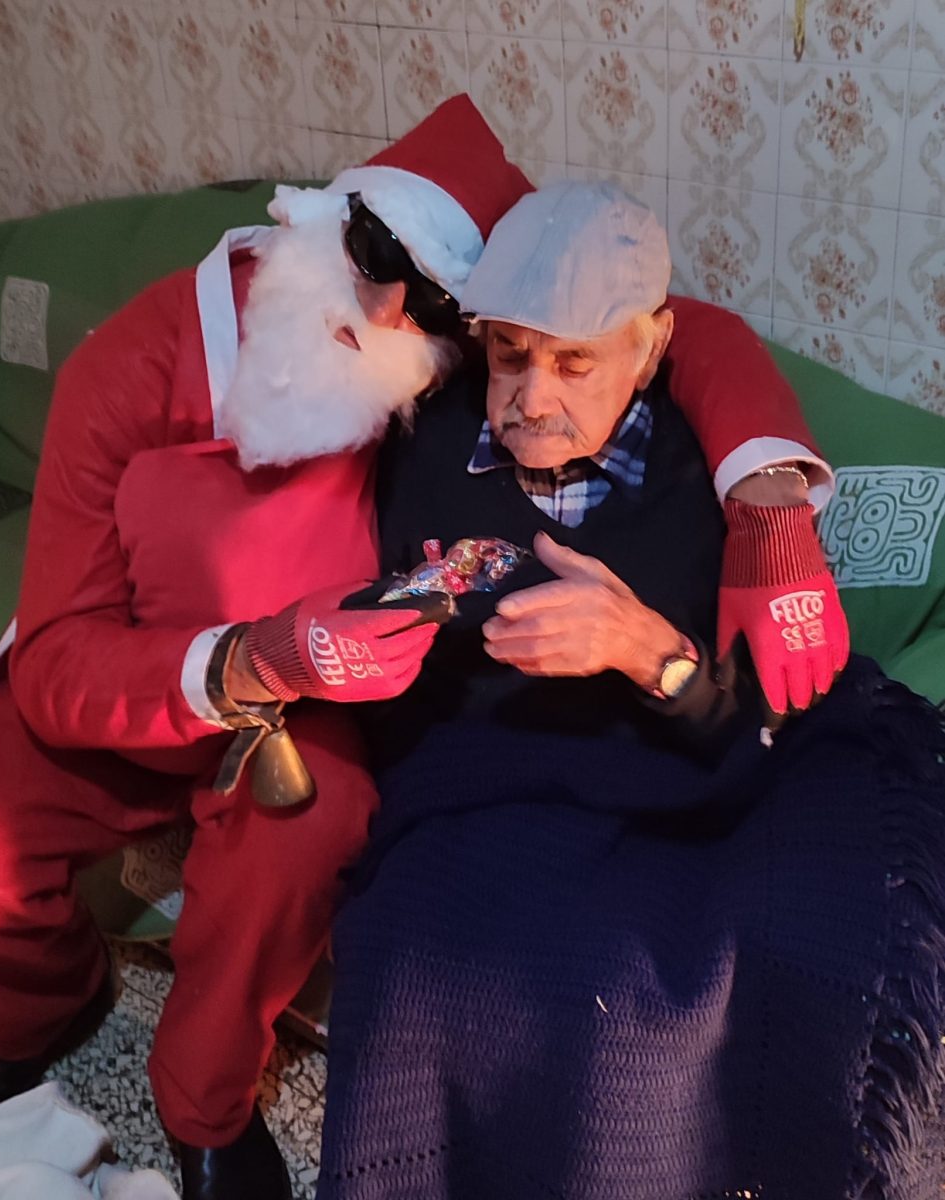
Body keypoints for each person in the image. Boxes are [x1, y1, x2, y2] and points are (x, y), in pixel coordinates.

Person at [0, 96, 838, 1198]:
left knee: (307, 842)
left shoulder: (463, 375)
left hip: (334, 714)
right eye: (373, 255)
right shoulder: (141, 368)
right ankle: (46, 1012)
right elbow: (59, 662)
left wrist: (768, 499)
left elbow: (665, 327)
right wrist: (251, 658)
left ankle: (203, 1103)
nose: (387, 309)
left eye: (434, 301)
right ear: (317, 219)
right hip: (153, 680)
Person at [315, 181, 945, 1200]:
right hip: (482, 778)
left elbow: (754, 722)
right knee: (412, 960)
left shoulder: (705, 483)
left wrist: (644, 651)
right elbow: (397, 683)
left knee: (665, 988)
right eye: (509, 355)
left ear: (648, 353)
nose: (532, 397)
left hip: (675, 776)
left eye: (574, 363)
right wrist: (415, 612)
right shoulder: (425, 443)